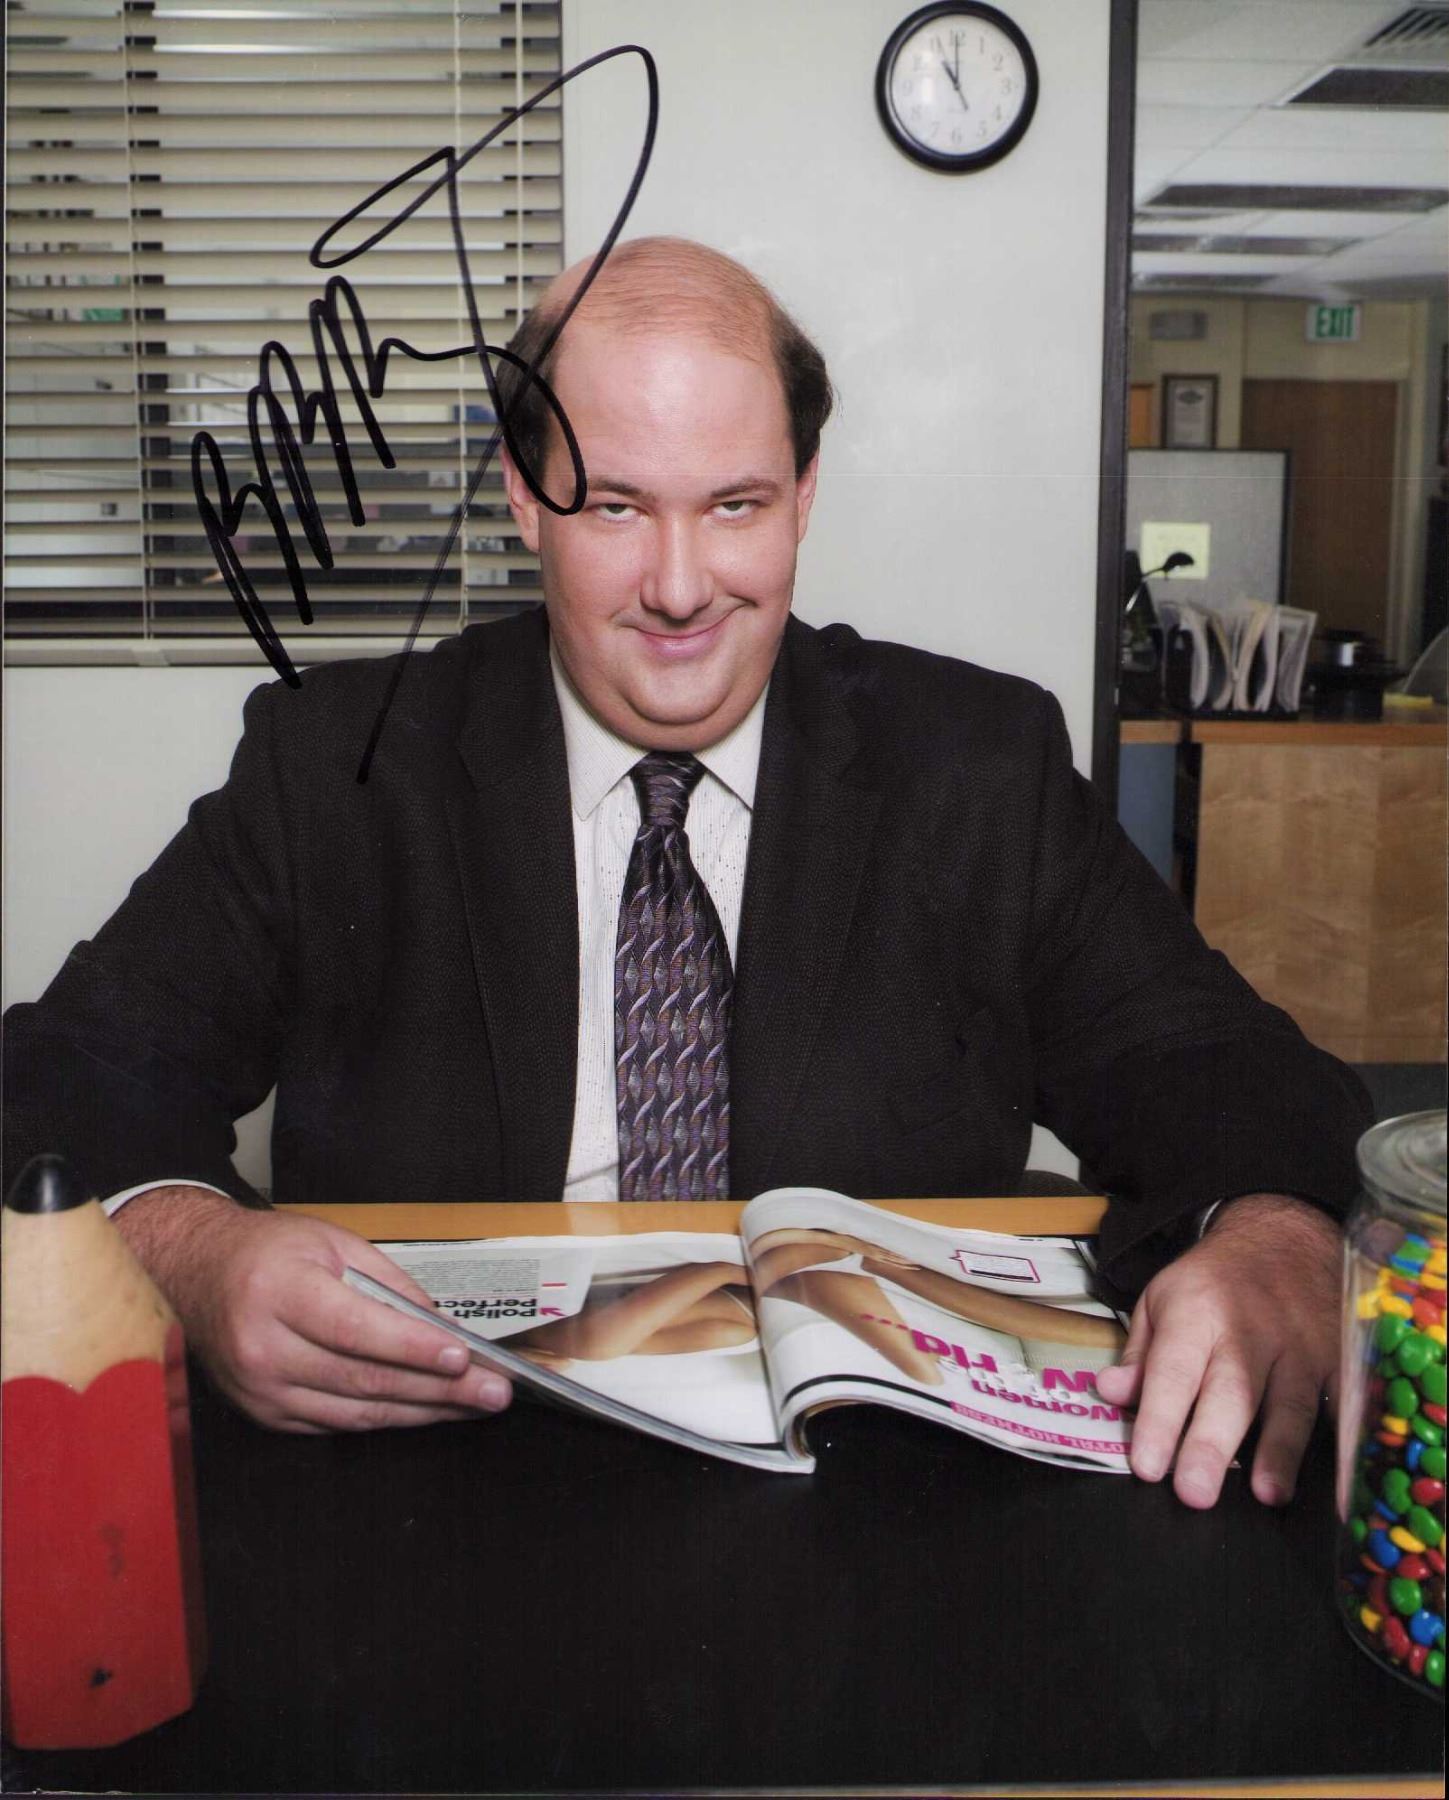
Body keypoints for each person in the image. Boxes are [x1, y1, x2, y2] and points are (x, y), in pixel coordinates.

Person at [4, 237, 1370, 1507]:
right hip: (437, 1478)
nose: (677, 586)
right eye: (613, 505)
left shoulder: (978, 764)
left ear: (804, 495)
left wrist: (1274, 1235)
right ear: (522, 494)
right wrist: (194, 1257)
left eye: (734, 505)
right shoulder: (335, 763)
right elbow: (60, 1074)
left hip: (876, 1504)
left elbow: (1211, 1062)